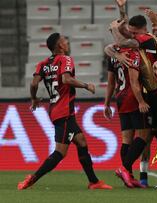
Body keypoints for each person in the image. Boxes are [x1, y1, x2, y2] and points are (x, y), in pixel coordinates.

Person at [18, 33, 112, 190]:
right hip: (64, 112)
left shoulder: (42, 64)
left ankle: (94, 182)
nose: (67, 43)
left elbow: (34, 83)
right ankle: (32, 179)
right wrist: (86, 85)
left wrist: (34, 98)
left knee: (81, 141)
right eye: (64, 41)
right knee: (60, 153)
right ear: (60, 46)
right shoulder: (65, 59)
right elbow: (67, 80)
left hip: (55, 109)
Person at [104, 19, 150, 188]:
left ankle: (128, 176)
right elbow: (134, 81)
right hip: (132, 97)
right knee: (144, 135)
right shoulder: (133, 53)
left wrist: (107, 103)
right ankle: (124, 168)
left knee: (126, 139)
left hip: (120, 97)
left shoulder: (115, 54)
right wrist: (141, 101)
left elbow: (110, 82)